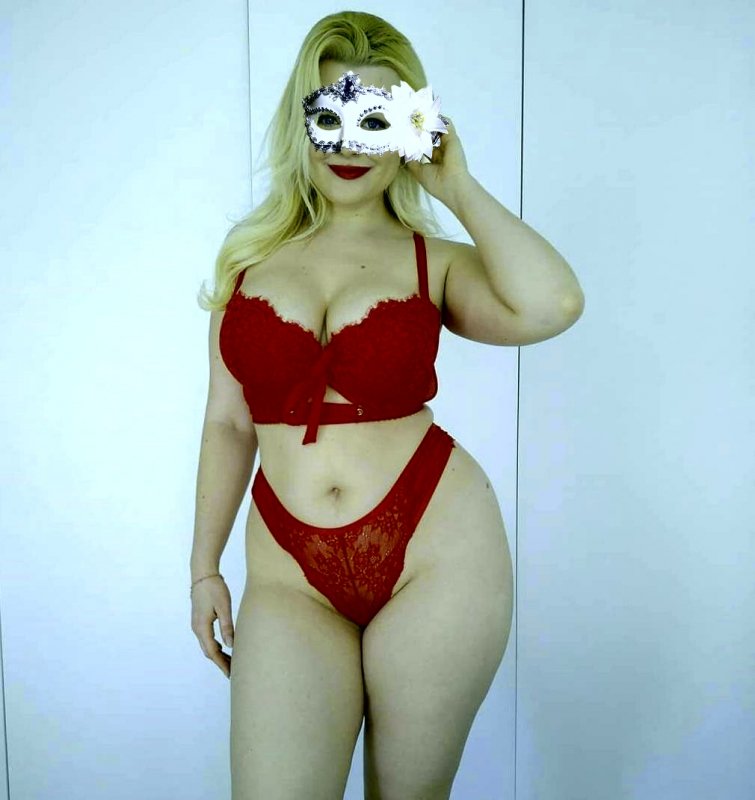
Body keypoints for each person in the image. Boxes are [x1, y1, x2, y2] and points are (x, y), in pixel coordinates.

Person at [190, 10, 584, 800]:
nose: (348, 145)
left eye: (375, 122)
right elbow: (229, 422)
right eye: (328, 118)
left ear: (410, 128)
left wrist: (455, 185)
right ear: (298, 123)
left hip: (437, 553)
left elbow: (553, 304)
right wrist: (204, 568)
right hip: (289, 577)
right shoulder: (247, 265)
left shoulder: (434, 261)